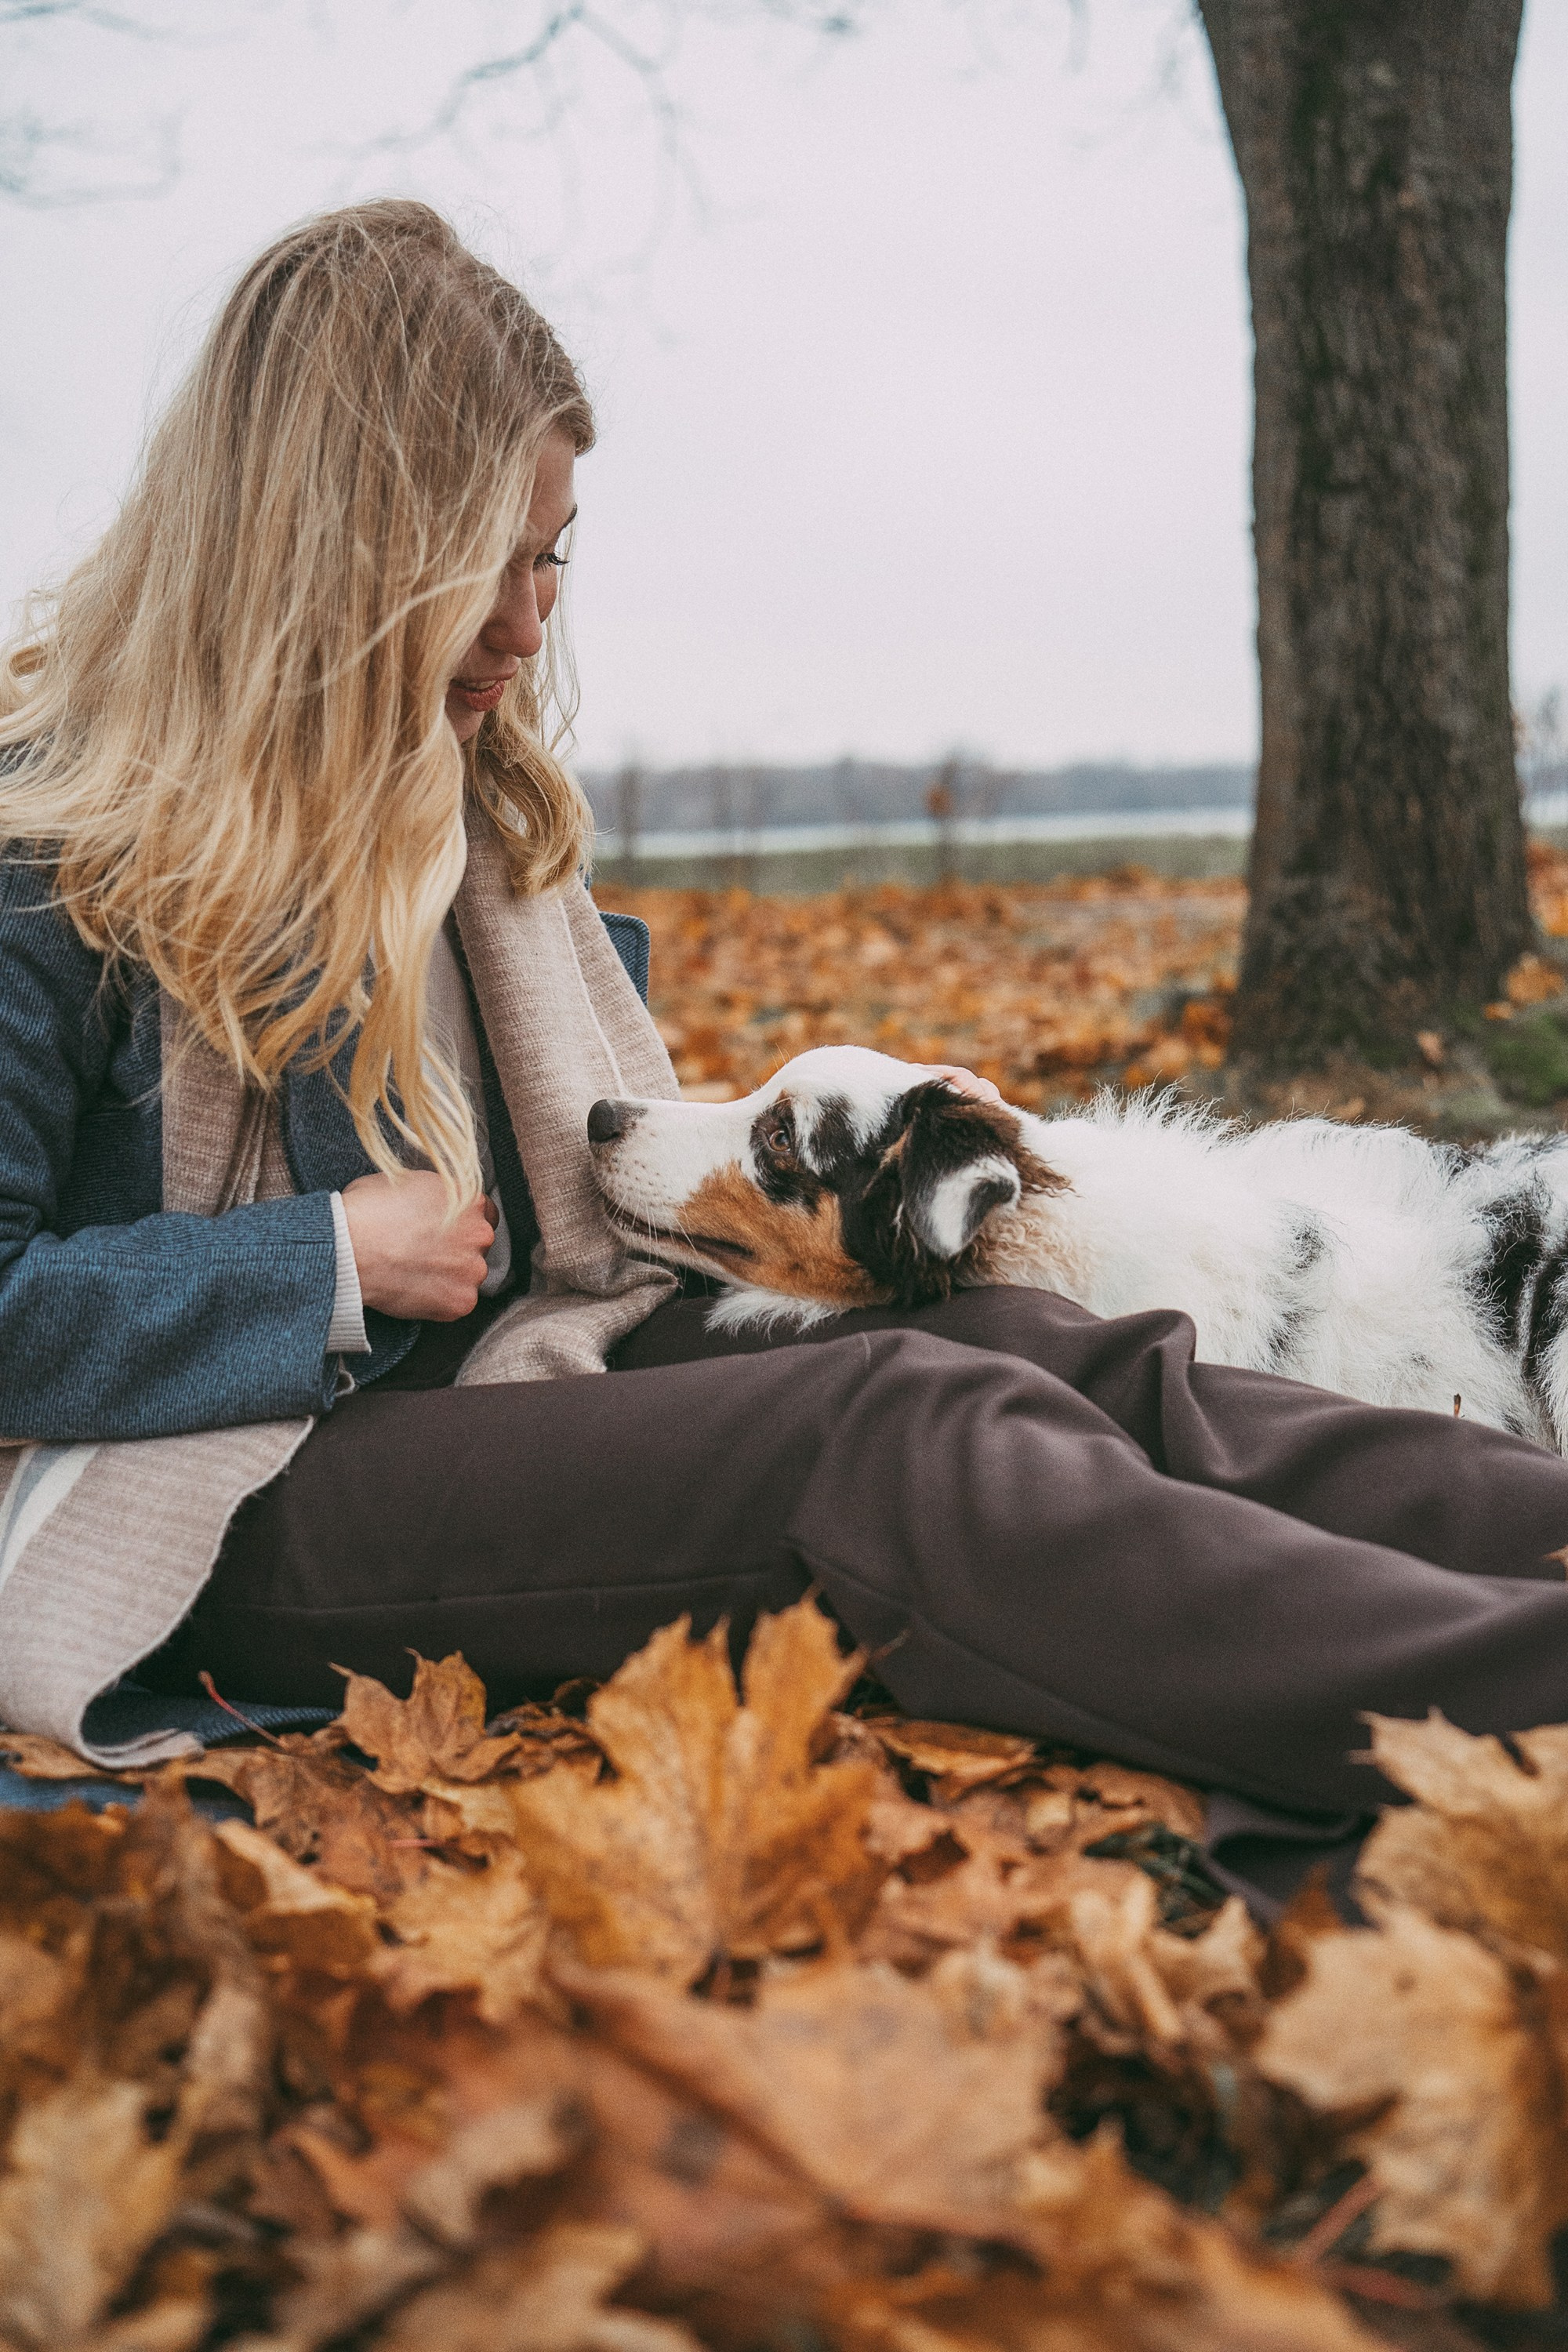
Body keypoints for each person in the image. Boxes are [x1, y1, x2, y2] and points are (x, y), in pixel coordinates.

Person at [5, 201, 1568, 1900]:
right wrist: (309, 1258)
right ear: (335, 547)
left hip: (506, 1379)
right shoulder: (56, 842)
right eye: (488, 562)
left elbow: (567, 1232)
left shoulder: (463, 823)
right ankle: (1518, 1706)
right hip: (209, 1494)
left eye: (555, 559)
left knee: (1046, 1346)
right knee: (884, 1437)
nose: (531, 621)